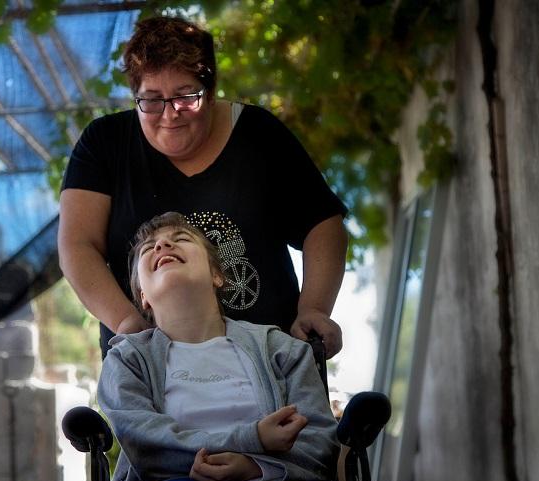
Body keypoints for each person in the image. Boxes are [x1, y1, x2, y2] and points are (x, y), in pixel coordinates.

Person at [58, 16, 348, 358]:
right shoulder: (103, 143)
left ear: (210, 92)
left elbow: (323, 225)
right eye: (151, 99)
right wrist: (127, 323)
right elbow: (77, 245)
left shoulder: (259, 134)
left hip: (272, 361)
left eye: (185, 96)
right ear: (134, 96)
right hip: (154, 367)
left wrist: (313, 309)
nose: (169, 114)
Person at [98, 212, 342, 481]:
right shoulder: (127, 360)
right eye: (149, 248)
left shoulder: (281, 349)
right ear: (142, 296)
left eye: (181, 239)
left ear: (217, 275)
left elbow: (320, 443)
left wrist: (255, 467)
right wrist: (255, 439)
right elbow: (144, 444)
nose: (162, 245)